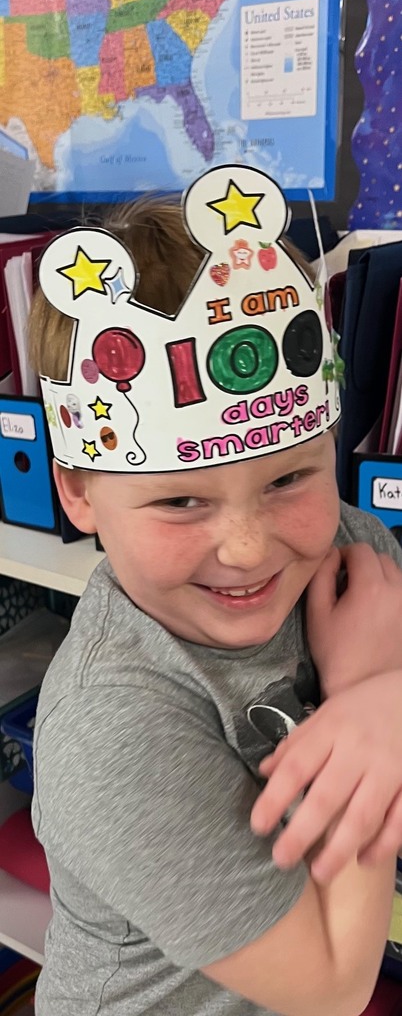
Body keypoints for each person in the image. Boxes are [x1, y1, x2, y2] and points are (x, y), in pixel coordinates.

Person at [29, 165, 402, 1016]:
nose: (246, 548)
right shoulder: (112, 731)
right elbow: (334, 988)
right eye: (179, 499)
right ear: (80, 494)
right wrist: (367, 691)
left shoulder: (346, 543)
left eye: (288, 481)